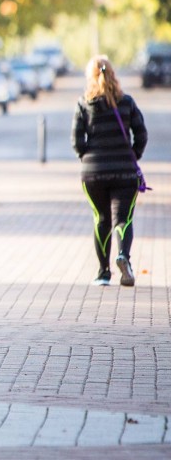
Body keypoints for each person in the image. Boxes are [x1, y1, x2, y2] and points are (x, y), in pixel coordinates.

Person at [72, 55, 147, 287]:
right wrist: (133, 155)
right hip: (124, 171)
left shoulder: (84, 103)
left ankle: (103, 273)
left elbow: (77, 140)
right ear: (113, 73)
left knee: (101, 219)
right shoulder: (127, 102)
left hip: (94, 173)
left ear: (90, 77)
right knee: (122, 219)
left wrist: (87, 156)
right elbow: (141, 134)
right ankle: (123, 256)